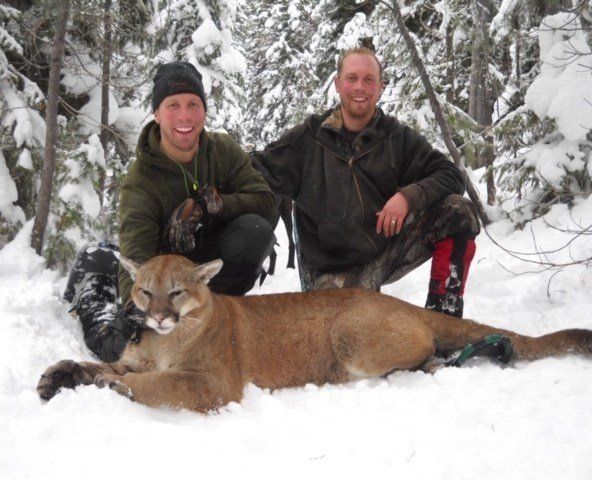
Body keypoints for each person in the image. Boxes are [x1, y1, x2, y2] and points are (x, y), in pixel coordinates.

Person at [65, 61, 278, 362]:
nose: (184, 116)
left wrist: (213, 206)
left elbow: (267, 204)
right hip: (161, 281)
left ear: (204, 110)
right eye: (173, 105)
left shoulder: (223, 150)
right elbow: (137, 257)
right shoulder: (141, 181)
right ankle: (98, 284)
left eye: (193, 104)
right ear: (156, 113)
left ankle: (214, 316)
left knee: (255, 232)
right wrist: (133, 308)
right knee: (114, 345)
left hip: (202, 274)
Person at [252, 47, 480, 318]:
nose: (360, 87)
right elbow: (253, 171)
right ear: (337, 84)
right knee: (349, 341)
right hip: (333, 268)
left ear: (381, 87)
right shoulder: (308, 139)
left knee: (458, 211)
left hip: (386, 250)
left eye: (369, 79)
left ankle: (443, 318)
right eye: (352, 78)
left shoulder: (396, 136)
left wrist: (407, 197)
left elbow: (450, 175)